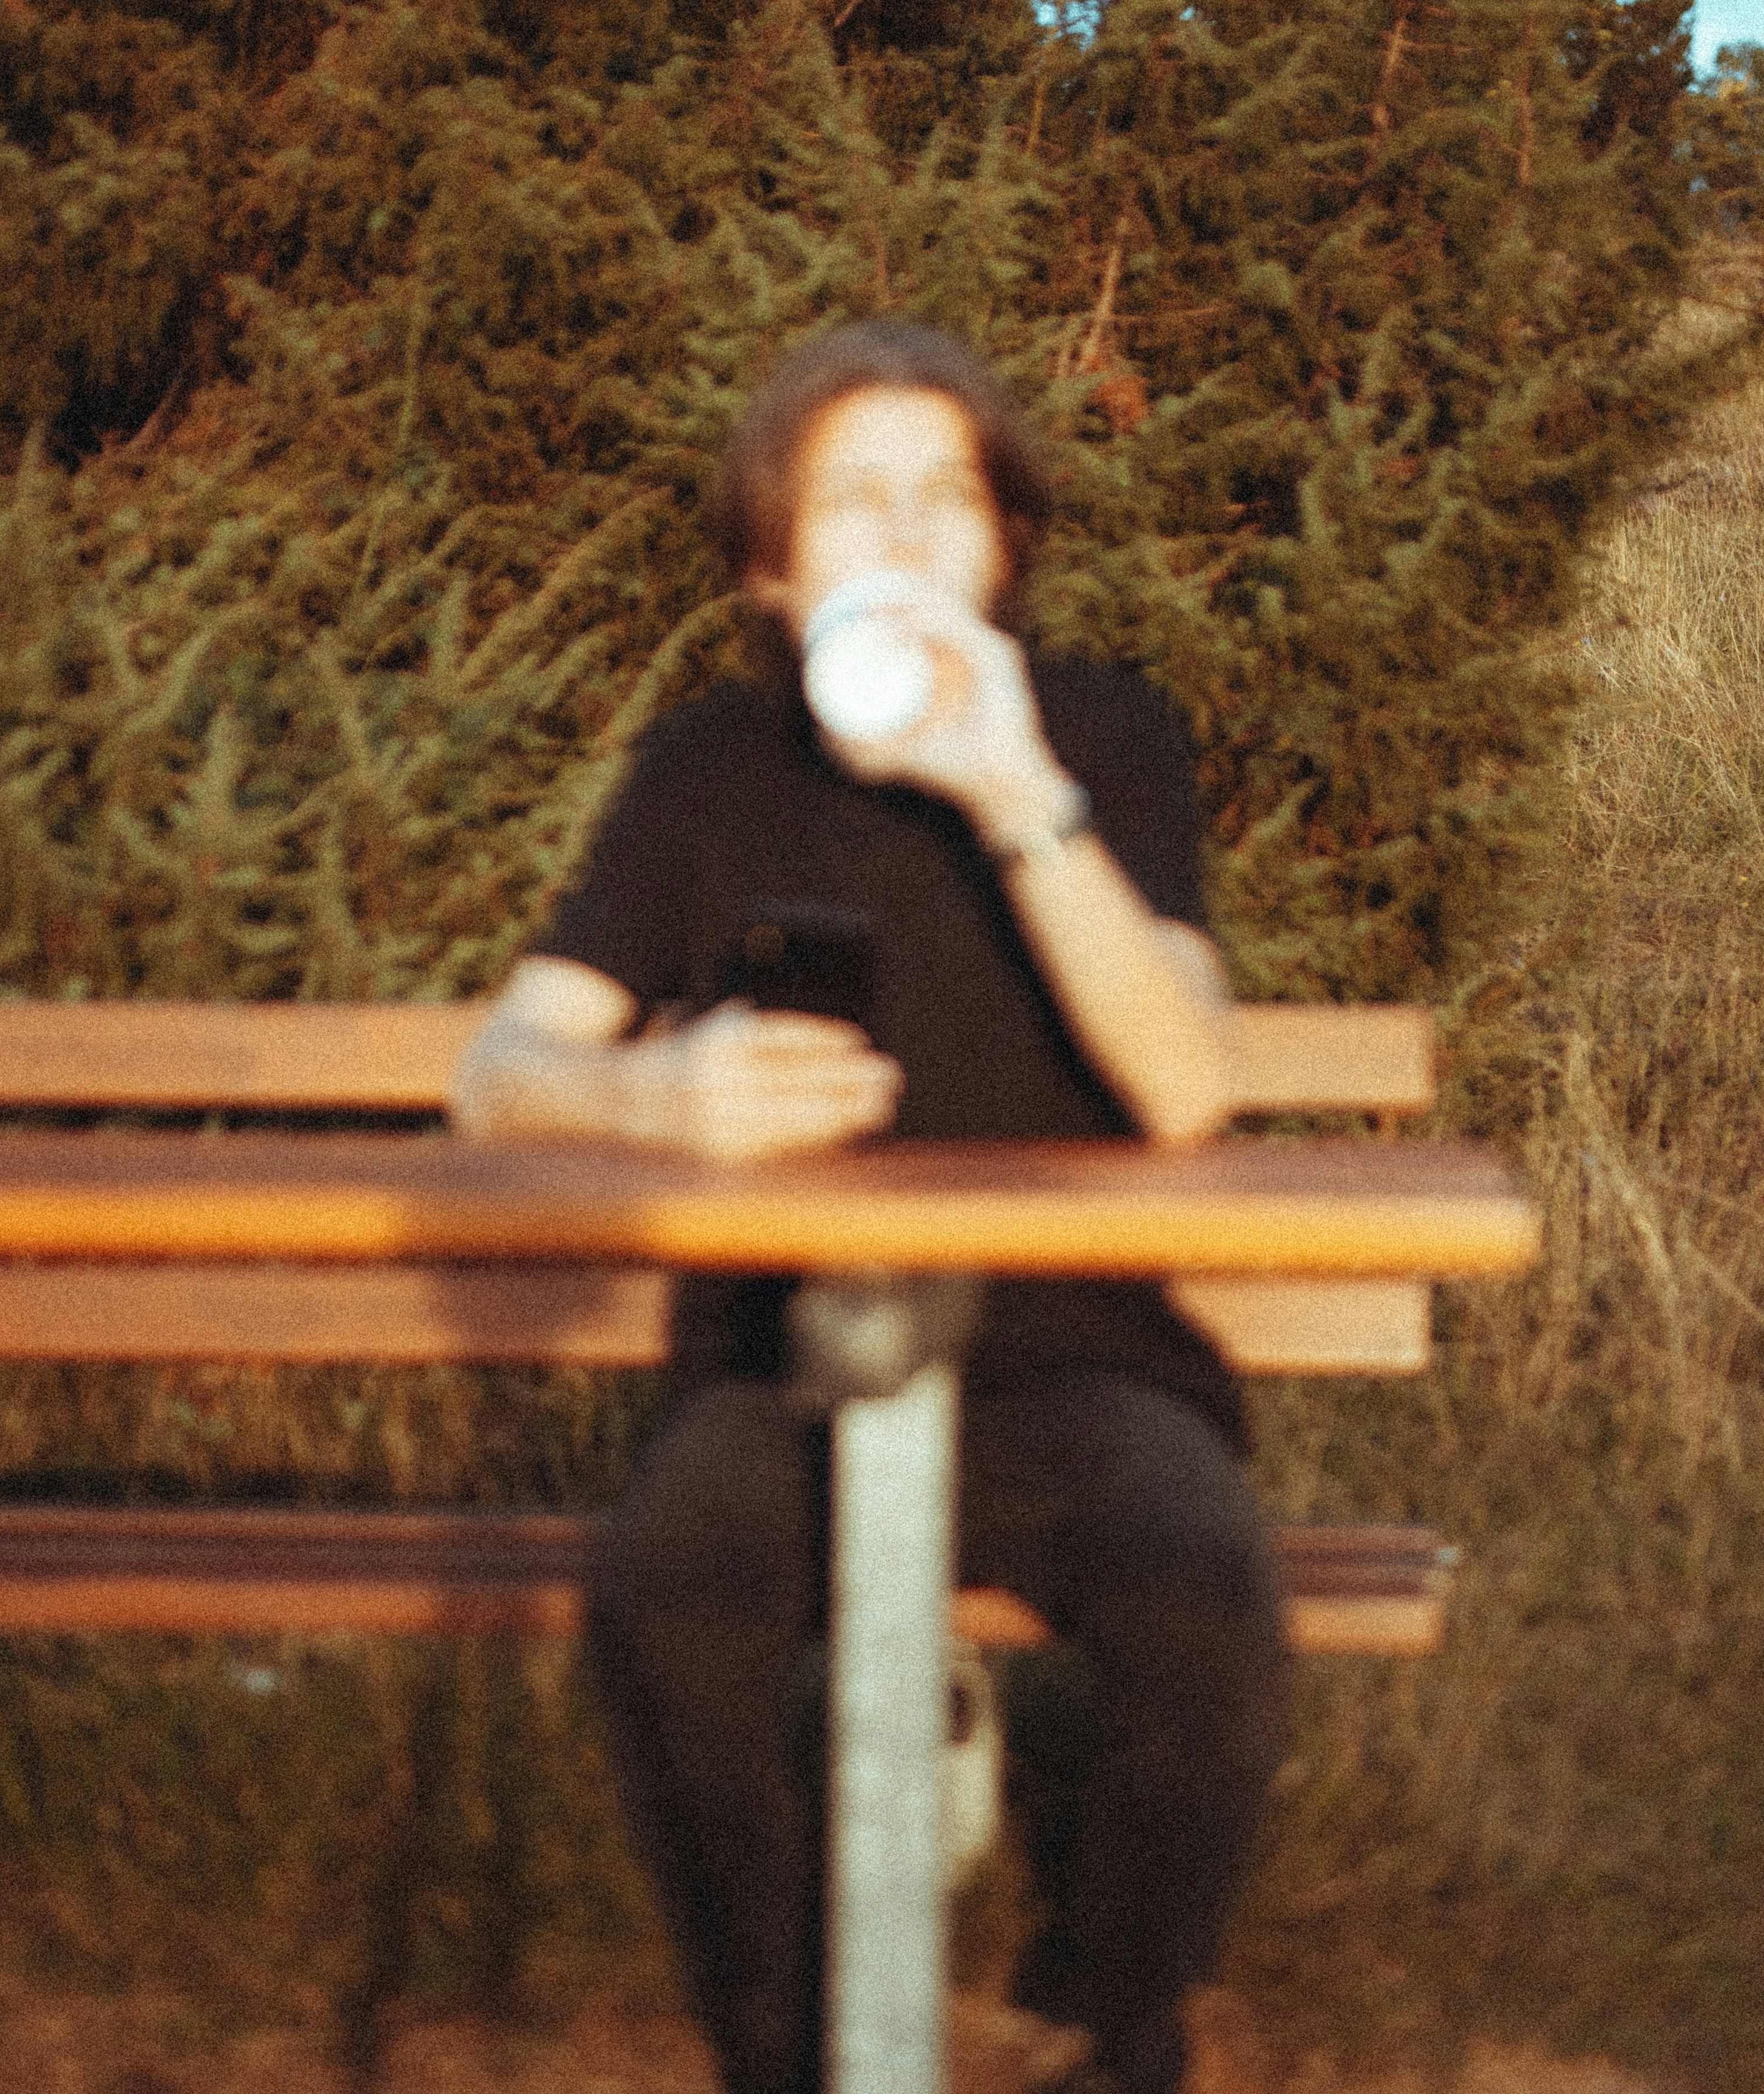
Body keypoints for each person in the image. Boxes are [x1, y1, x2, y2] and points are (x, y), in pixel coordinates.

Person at [451, 318, 1288, 2094]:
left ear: (1004, 545)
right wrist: (650, 1095)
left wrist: (1015, 796)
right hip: (781, 1360)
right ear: (770, 565)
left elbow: (1191, 1083)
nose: (905, 537)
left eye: (945, 497)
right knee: (670, 1584)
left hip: (1078, 1360)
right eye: (852, 501)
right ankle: (792, 2036)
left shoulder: (1103, 736)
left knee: (1206, 1597)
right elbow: (500, 1069)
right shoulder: (707, 769)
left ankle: (1110, 2016)